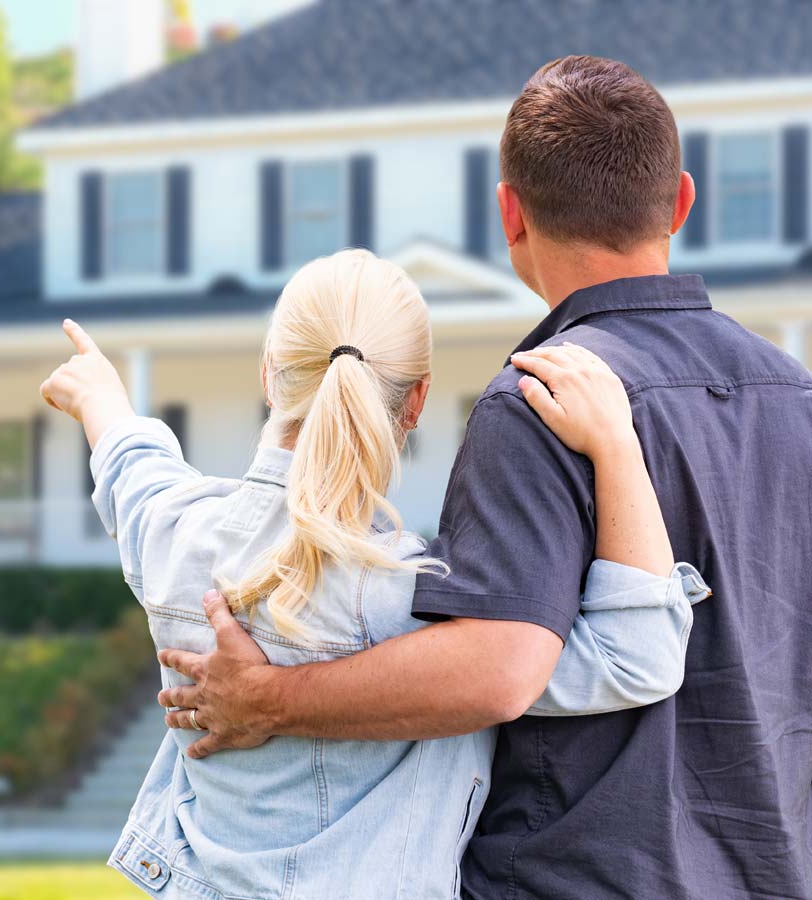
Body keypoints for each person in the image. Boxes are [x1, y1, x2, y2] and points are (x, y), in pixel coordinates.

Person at [153, 56, 812, 900]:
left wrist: (273, 700)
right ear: (682, 201)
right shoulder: (793, 396)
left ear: (510, 214)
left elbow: (497, 668)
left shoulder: (536, 399)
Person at [40, 247, 708, 899]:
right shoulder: (427, 601)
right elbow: (634, 656)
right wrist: (617, 445)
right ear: (416, 402)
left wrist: (101, 401)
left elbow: (135, 473)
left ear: (270, 374)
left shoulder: (176, 535)